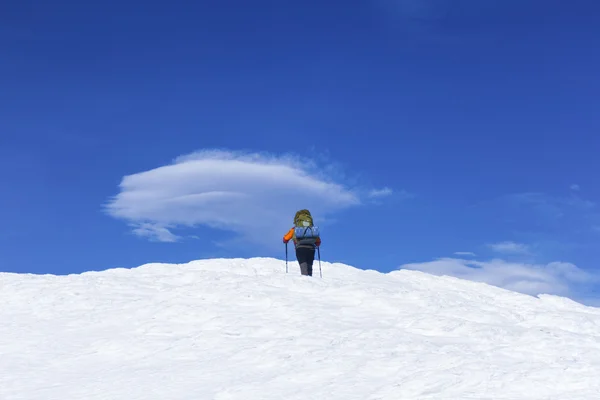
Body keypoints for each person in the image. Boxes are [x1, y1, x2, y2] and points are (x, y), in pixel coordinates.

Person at [283, 209, 321, 276]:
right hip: (311, 248)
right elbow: (318, 242)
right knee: (309, 264)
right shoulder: (311, 229)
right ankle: (310, 279)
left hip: (300, 248)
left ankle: (305, 280)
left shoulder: (295, 228)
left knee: (303, 264)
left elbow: (285, 239)